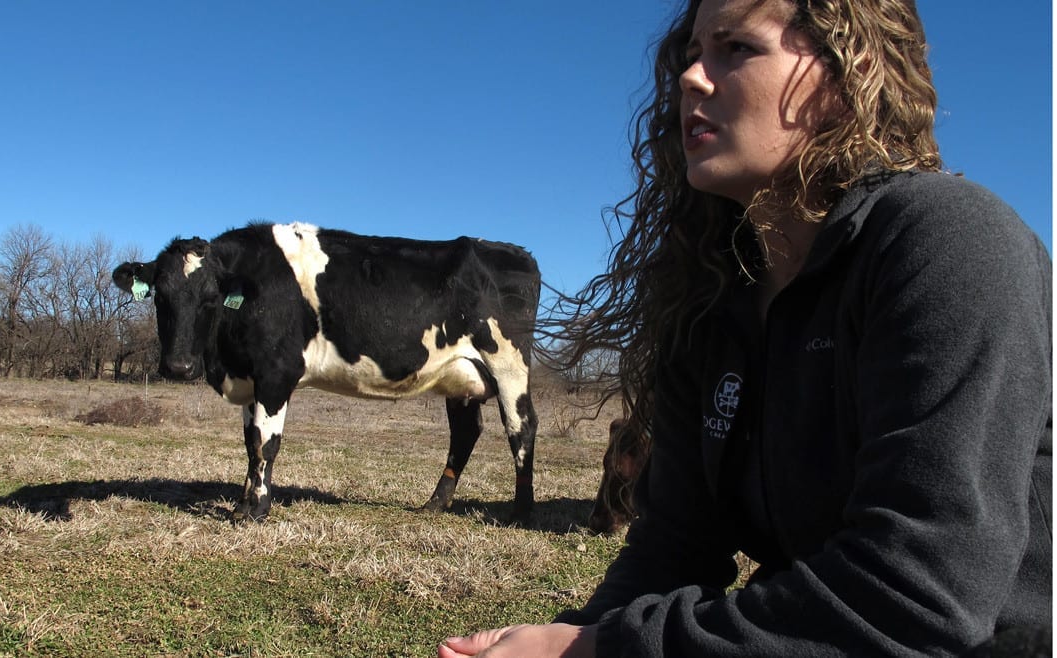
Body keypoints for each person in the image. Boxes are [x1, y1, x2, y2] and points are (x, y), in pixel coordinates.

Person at [439, 0, 1052, 655]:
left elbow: (918, 595)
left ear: (850, 74)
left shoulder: (947, 244)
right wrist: (576, 634)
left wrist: (593, 652)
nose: (691, 78)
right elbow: (675, 546)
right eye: (691, 53)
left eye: (736, 49)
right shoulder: (709, 301)